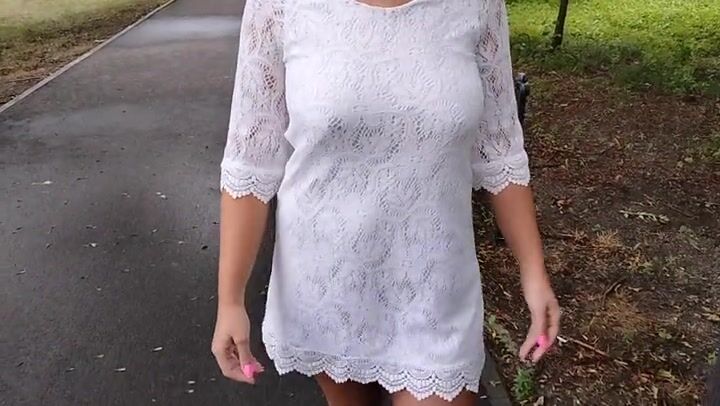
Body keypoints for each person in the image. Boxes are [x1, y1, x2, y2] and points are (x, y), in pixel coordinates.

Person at [211, 0, 561, 405]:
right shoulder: (278, 6)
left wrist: (534, 273)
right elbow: (250, 161)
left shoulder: (478, 5)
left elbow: (500, 152)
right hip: (327, 287)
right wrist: (230, 300)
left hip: (437, 291)